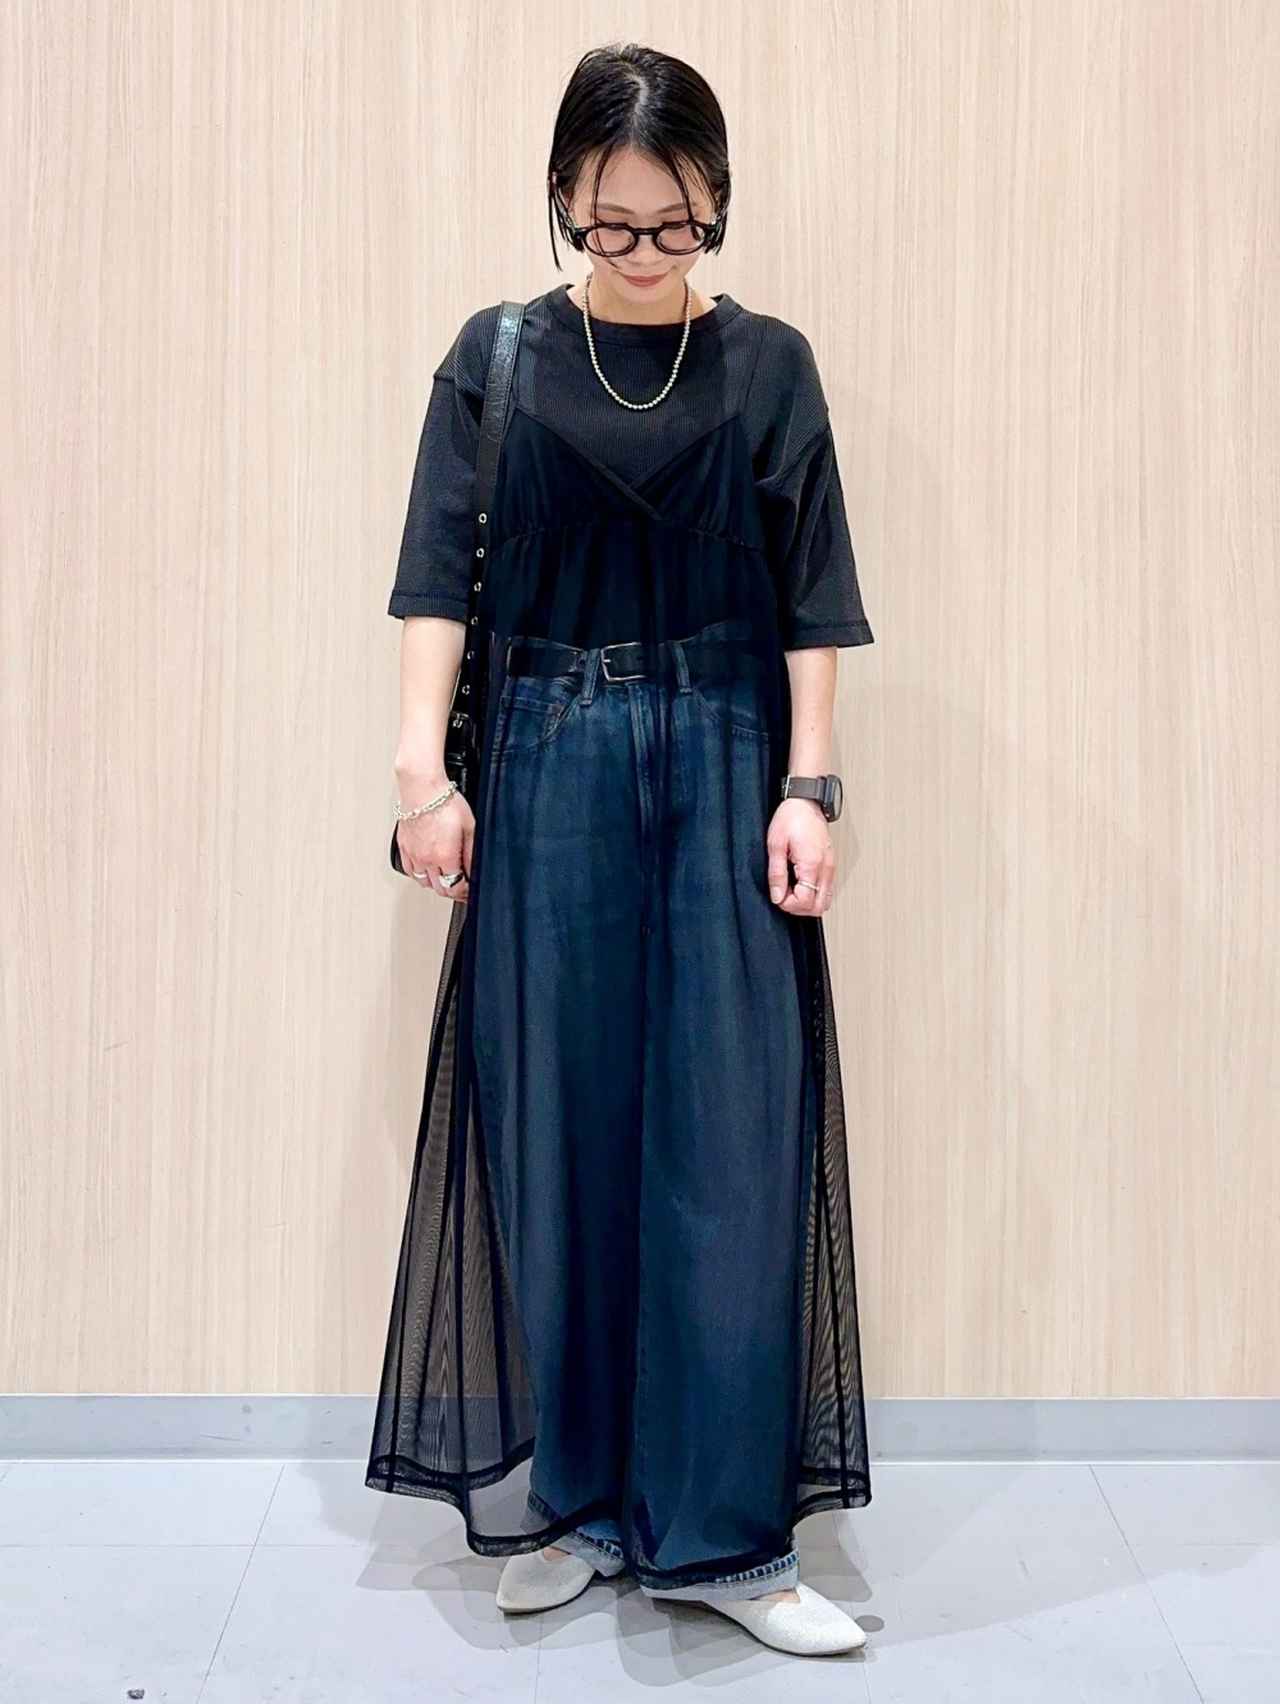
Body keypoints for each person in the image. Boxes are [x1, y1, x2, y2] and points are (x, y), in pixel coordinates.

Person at [366, 43, 875, 1659]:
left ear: (717, 203)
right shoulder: (499, 358)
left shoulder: (768, 365)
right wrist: (421, 774)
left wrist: (810, 787)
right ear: (562, 201)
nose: (646, 253)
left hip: (724, 752)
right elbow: (437, 574)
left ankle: (726, 1541)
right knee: (559, 1134)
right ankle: (581, 1507)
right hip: (546, 758)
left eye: (677, 223)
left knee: (729, 1144)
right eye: (612, 224)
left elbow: (813, 597)